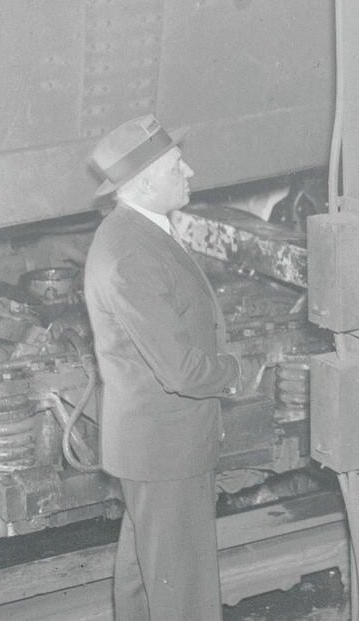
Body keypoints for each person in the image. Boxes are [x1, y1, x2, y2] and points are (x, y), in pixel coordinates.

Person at [83, 115, 242, 620]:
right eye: (177, 165)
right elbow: (183, 371)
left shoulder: (137, 232)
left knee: (146, 583)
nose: (190, 170)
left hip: (157, 446)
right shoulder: (131, 252)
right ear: (146, 179)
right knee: (185, 595)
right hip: (166, 448)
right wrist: (236, 370)